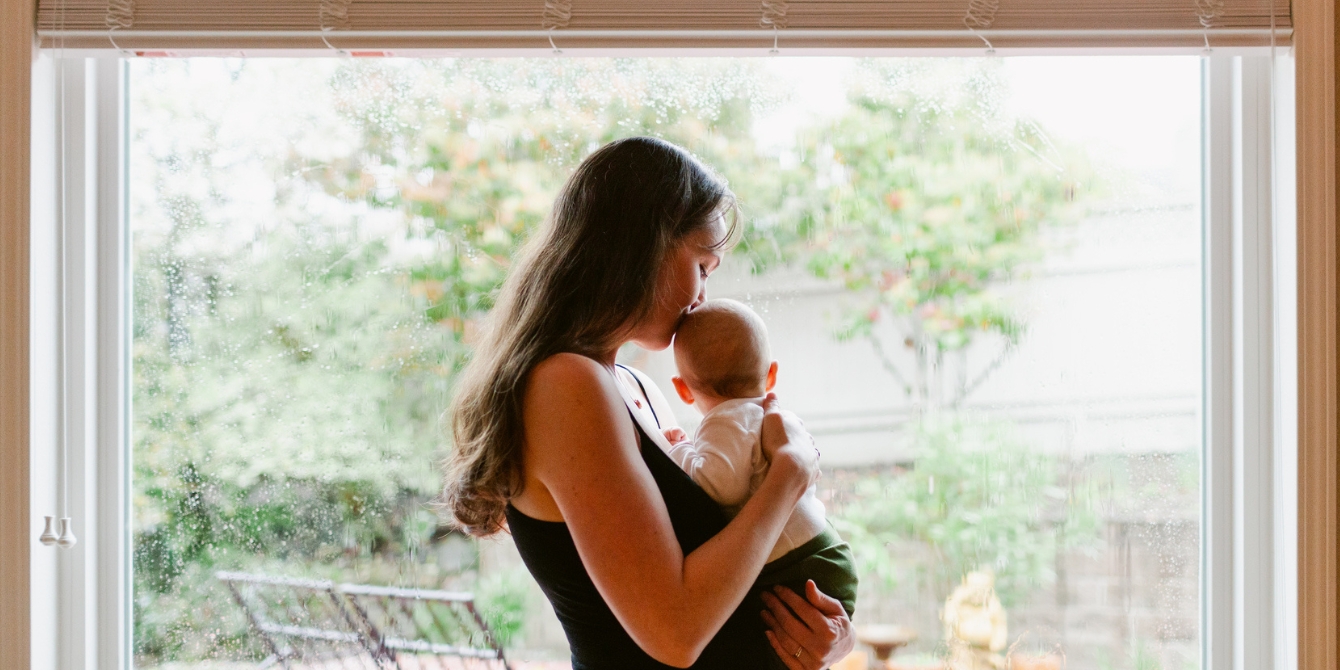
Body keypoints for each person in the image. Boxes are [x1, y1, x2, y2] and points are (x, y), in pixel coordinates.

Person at [442, 136, 856, 669]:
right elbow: (676, 632)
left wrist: (825, 636)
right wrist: (790, 474)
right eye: (702, 265)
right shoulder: (567, 385)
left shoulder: (633, 386)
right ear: (642, 248)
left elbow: (723, 577)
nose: (704, 294)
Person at [661, 298, 858, 637]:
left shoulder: (724, 420)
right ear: (771, 375)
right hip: (823, 553)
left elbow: (719, 485)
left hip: (797, 566)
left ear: (682, 389)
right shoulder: (772, 415)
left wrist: (679, 450)